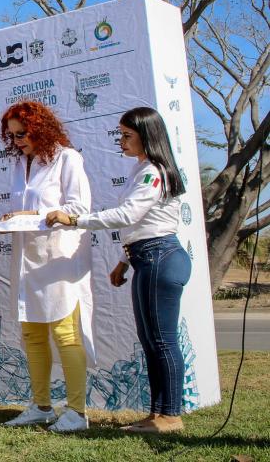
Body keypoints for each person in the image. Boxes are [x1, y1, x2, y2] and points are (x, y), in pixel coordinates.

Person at [47, 107, 189, 433]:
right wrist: (124, 261)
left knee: (163, 341)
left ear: (146, 136)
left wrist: (76, 219)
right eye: (120, 134)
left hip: (160, 257)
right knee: (151, 340)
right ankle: (158, 414)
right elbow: (141, 223)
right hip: (145, 257)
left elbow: (128, 215)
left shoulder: (154, 171)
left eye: (127, 135)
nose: (121, 141)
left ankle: (171, 415)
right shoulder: (142, 170)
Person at [0, 101, 94, 432]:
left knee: (66, 333)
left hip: (59, 258)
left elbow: (79, 207)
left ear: (41, 128)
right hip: (27, 260)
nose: (18, 141)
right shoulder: (20, 163)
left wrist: (31, 217)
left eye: (22, 134)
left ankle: (77, 412)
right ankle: (41, 406)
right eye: (12, 137)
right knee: (31, 333)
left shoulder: (67, 158)